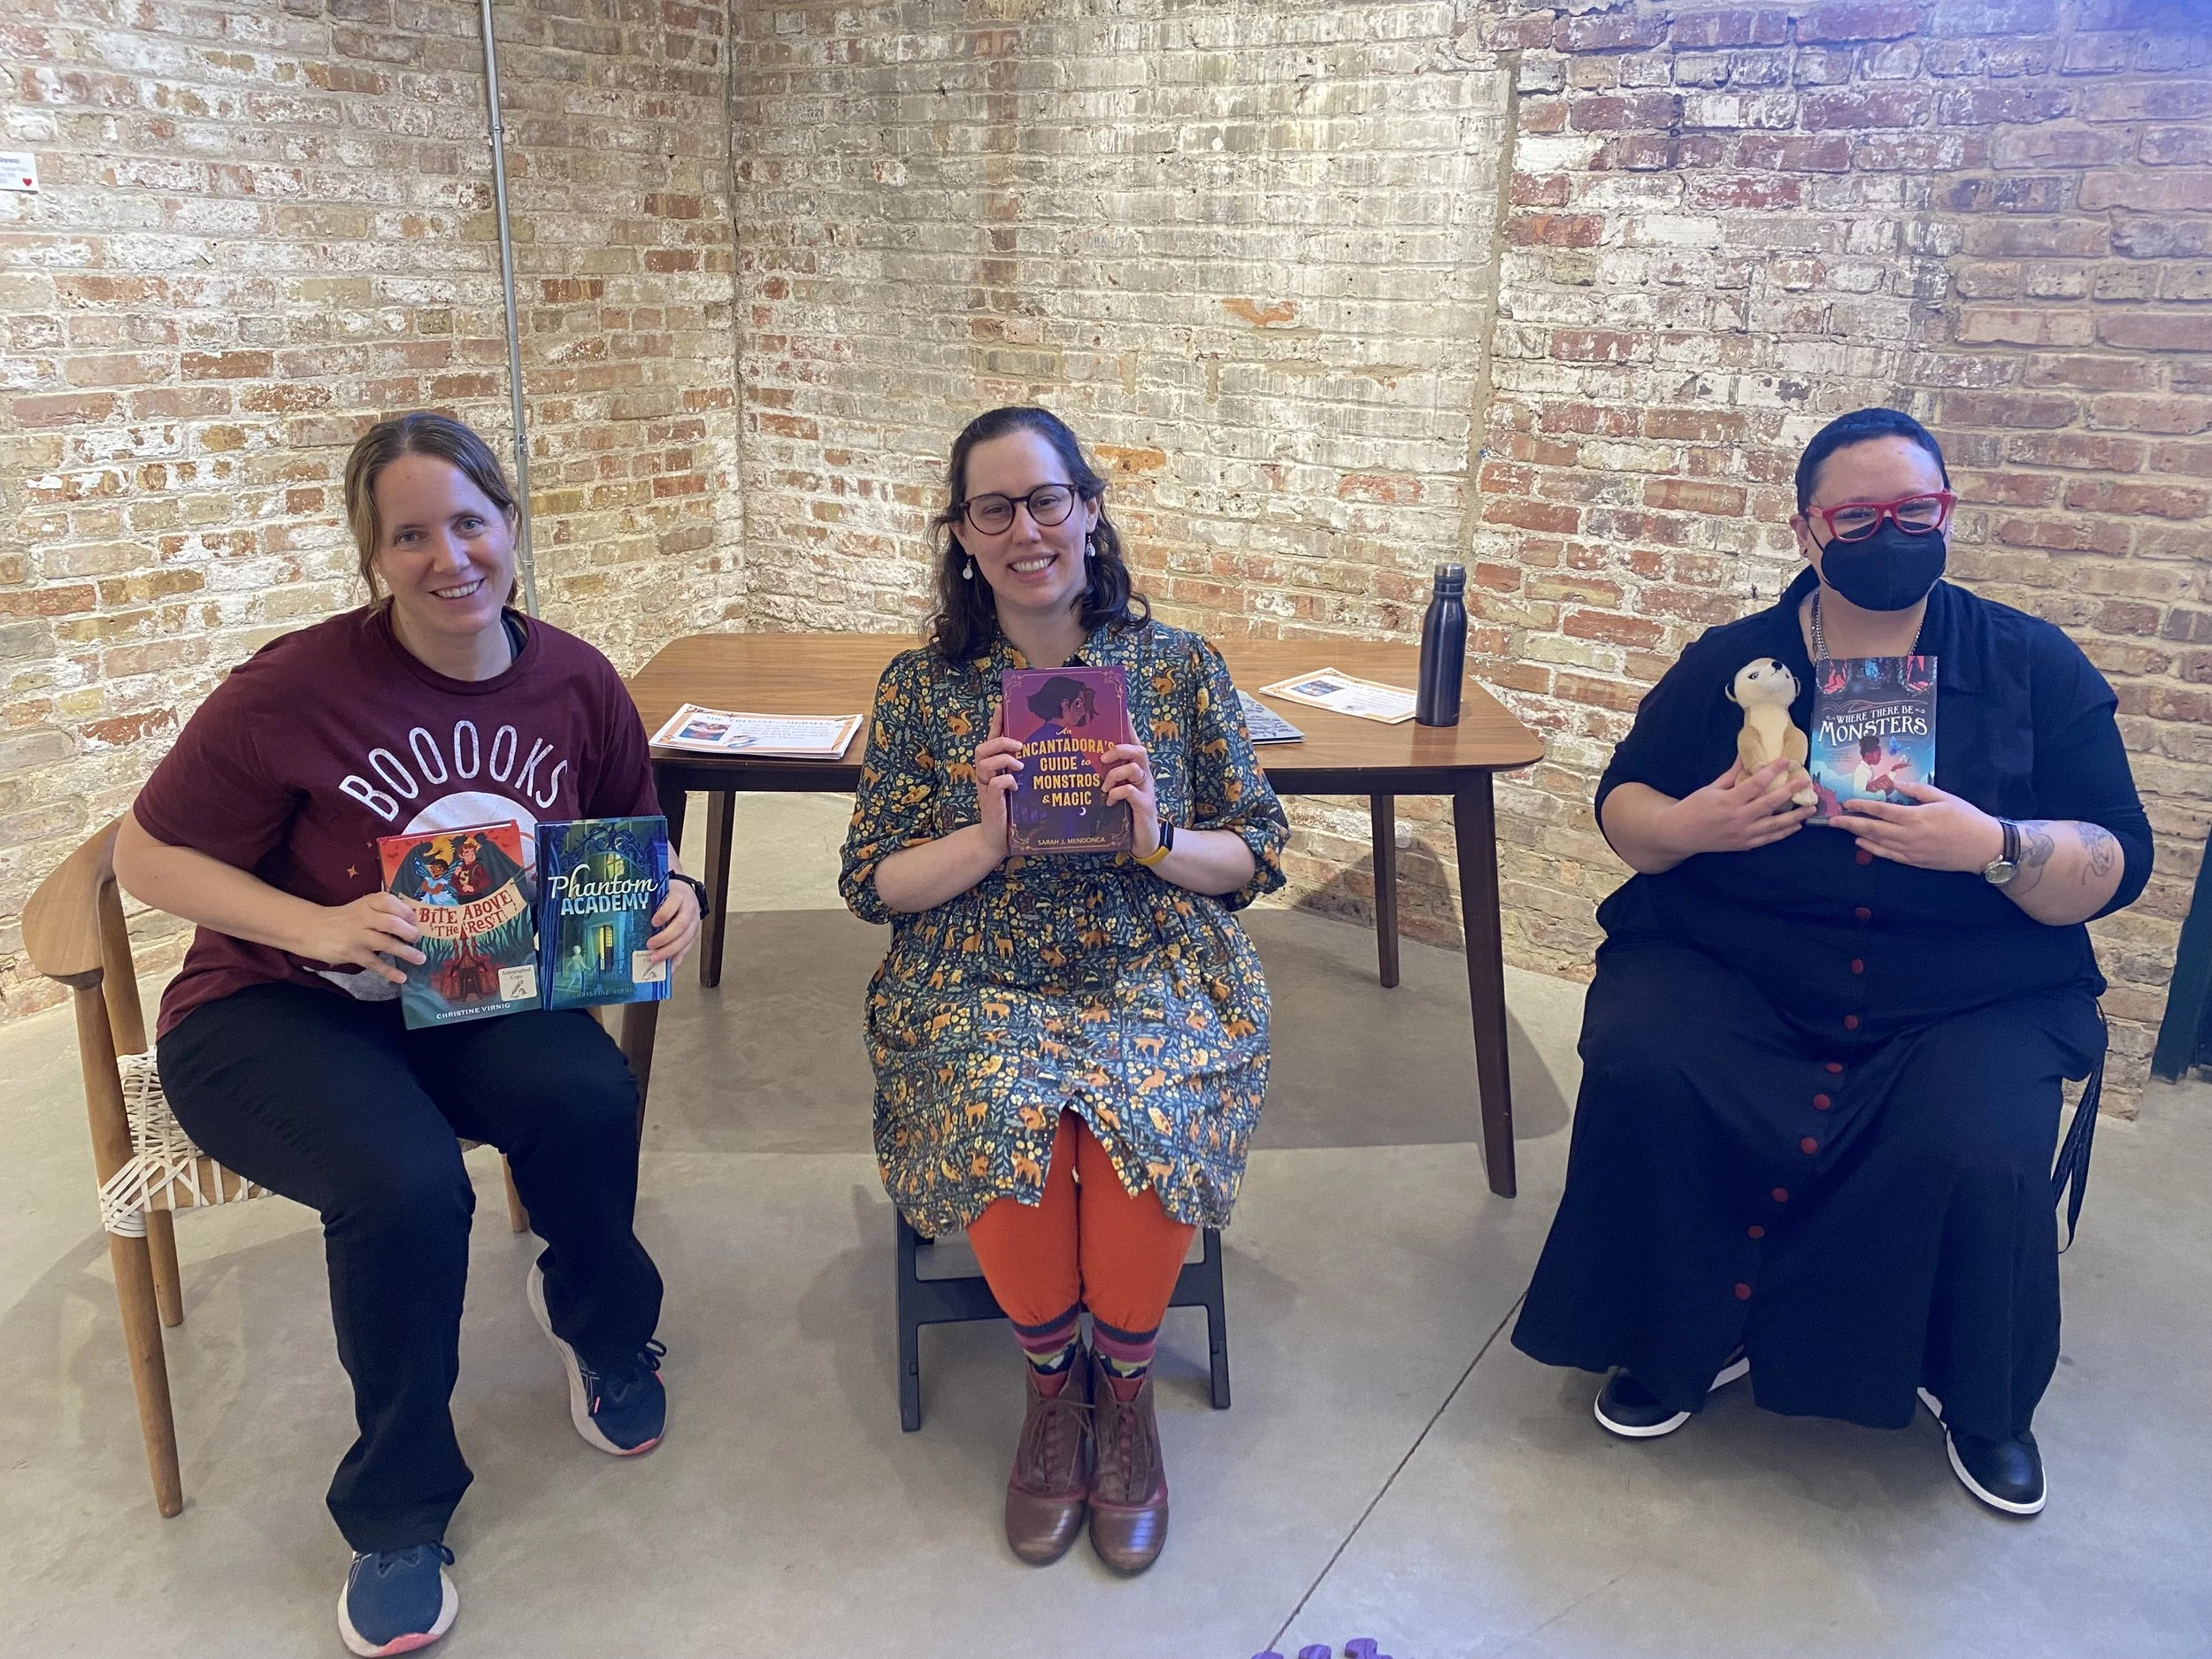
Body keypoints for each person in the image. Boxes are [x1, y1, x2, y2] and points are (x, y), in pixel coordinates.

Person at [113, 412, 707, 1655]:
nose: (450, 557)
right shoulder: (295, 685)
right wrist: (317, 924)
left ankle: (598, 1325)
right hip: (270, 1007)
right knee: (403, 1183)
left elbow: (629, 849)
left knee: (591, 1093)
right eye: (411, 533)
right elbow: (144, 852)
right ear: (373, 553)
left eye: (471, 522)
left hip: (467, 996)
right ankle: (397, 1505)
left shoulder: (577, 679)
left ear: (512, 523)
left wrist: (677, 901)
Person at [1511, 406, 2151, 1517]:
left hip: (1966, 988)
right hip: (1737, 965)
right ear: (1809, 531)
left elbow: (2116, 854)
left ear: (1947, 512)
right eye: (1858, 515)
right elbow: (1621, 806)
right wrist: (1695, 825)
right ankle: (1676, 1335)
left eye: (1916, 510)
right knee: (1646, 1061)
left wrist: (1993, 848)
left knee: (1974, 1137)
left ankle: (1979, 1392)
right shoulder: (1735, 662)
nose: (1890, 531)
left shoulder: (2029, 661)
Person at [840, 405, 1289, 1573]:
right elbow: (876, 880)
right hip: (979, 961)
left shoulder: (1179, 666)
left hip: (1153, 952)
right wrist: (984, 836)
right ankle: (1055, 1387)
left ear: (1089, 507)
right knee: (1002, 1102)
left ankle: (1124, 1393)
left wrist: (1156, 837)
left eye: (1047, 498)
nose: (1026, 527)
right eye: (995, 507)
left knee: (1149, 1100)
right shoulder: (922, 686)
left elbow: (1253, 854)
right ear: (963, 534)